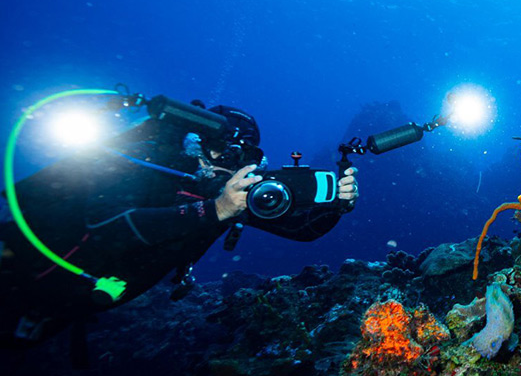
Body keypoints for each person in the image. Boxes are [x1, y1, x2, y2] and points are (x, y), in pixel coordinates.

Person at [0, 102, 358, 349]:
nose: (228, 164)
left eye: (243, 157)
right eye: (224, 151)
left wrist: (336, 207)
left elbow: (303, 232)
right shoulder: (148, 163)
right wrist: (215, 210)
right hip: (18, 267)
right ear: (196, 142)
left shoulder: (228, 194)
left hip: (62, 304)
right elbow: (110, 227)